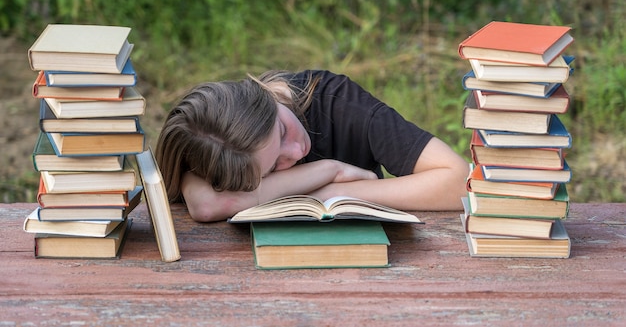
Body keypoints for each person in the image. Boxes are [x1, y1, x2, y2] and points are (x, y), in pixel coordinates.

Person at [156, 70, 469, 222]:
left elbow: (459, 181)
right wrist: (326, 170)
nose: (296, 152)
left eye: (281, 131)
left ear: (264, 94)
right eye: (274, 167)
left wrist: (333, 194)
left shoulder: (340, 104)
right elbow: (207, 205)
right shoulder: (214, 143)